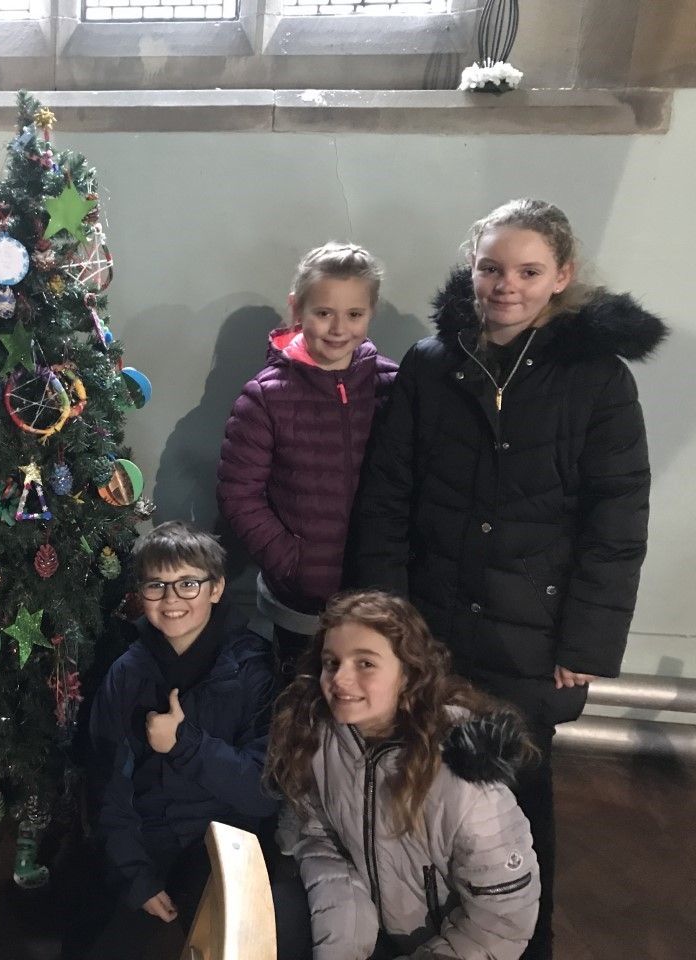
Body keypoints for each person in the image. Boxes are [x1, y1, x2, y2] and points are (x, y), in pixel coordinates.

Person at [348, 199, 668, 959]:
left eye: (528, 271)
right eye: (491, 268)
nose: (506, 286)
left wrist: (588, 639)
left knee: (515, 807)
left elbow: (616, 521)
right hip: (431, 625)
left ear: (562, 276)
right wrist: (387, 619)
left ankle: (524, 945)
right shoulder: (431, 362)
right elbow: (388, 494)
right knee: (419, 787)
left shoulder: (598, 379)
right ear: (472, 269)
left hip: (532, 632)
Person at [79, 520, 308, 960]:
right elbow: (109, 786)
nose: (171, 600)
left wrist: (184, 743)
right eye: (156, 586)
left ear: (216, 588)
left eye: (188, 584)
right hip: (150, 841)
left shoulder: (254, 668)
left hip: (225, 844)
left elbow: (264, 793)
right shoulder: (126, 674)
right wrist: (136, 879)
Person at [270, 591, 540, 960]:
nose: (340, 679)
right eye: (331, 662)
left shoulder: (465, 781)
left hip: (454, 947)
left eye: (365, 663)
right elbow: (322, 838)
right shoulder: (323, 739)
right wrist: (343, 947)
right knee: (278, 910)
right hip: (372, 928)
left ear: (409, 673)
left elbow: (500, 924)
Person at [217, 242, 398, 677]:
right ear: (298, 309)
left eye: (354, 314)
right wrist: (291, 562)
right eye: (323, 313)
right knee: (299, 709)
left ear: (371, 313)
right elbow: (239, 494)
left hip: (379, 596)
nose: (338, 329)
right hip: (300, 602)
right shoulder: (266, 396)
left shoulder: (392, 385)